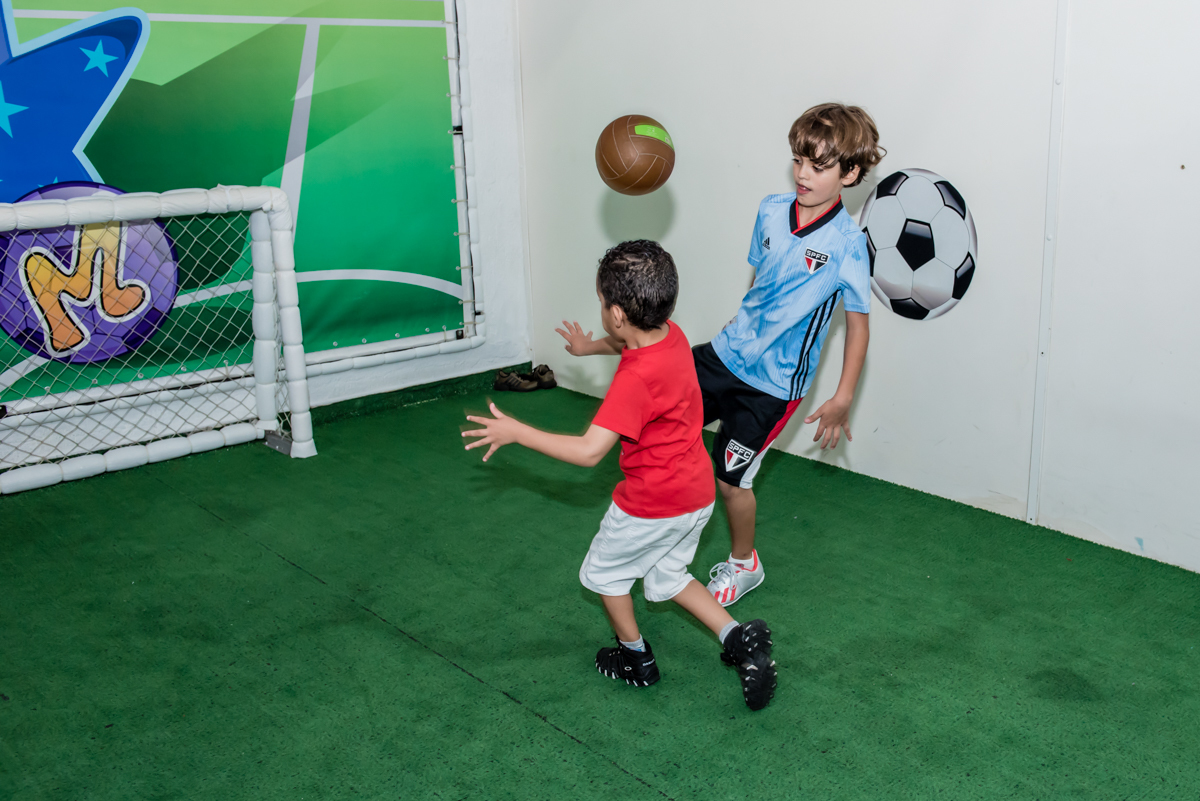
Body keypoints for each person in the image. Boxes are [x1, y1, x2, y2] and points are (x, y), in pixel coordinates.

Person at [560, 103, 884, 607]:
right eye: (798, 159)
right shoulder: (771, 209)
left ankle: (743, 563)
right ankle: (653, 534)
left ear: (851, 173)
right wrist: (593, 345)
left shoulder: (848, 246)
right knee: (655, 427)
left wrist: (843, 396)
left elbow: (858, 327)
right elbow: (761, 284)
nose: (802, 174)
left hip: (773, 387)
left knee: (731, 481)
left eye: (818, 167)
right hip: (723, 357)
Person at [464, 240, 776, 710]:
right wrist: (589, 347)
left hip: (652, 504)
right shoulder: (671, 334)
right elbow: (629, 338)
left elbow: (590, 451)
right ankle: (737, 638)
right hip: (696, 494)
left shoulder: (634, 381)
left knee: (604, 577)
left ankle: (635, 658)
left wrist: (518, 432)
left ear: (613, 312)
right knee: (669, 576)